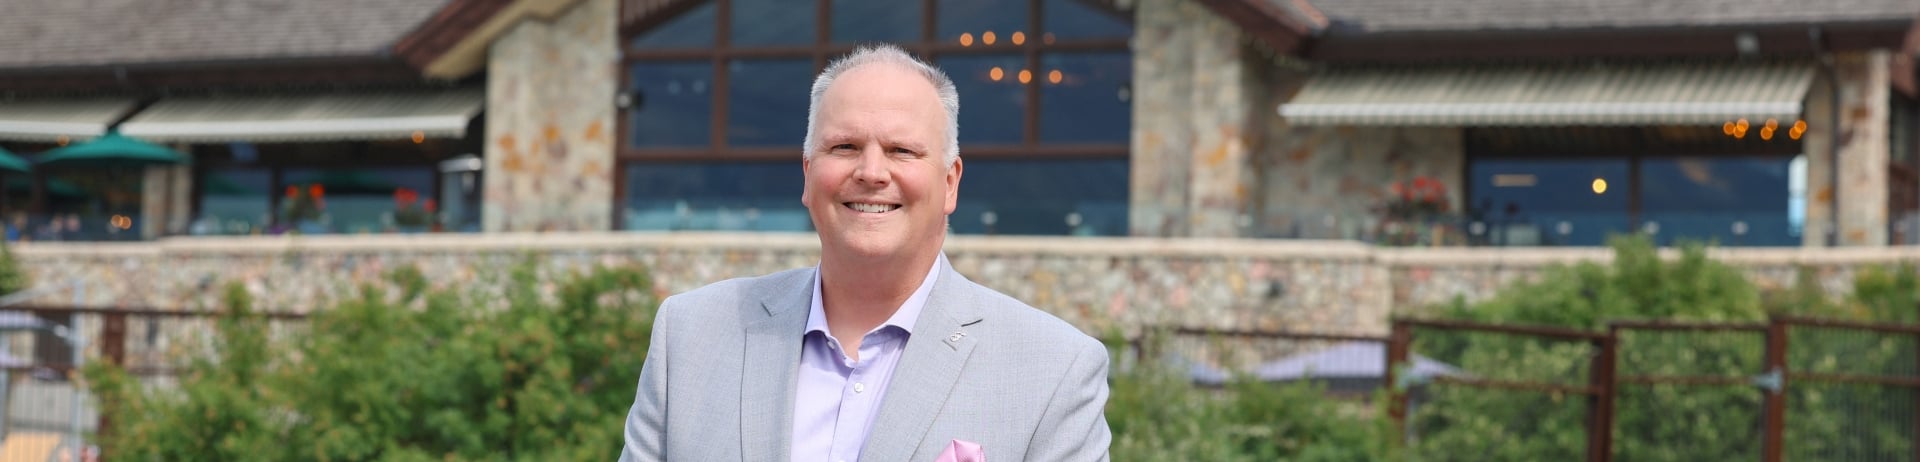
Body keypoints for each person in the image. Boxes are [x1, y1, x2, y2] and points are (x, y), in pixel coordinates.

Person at [620, 43, 1112, 461]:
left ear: (949, 182)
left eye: (902, 150)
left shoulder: (1055, 371)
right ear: (808, 174)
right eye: (845, 147)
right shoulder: (690, 337)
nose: (872, 172)